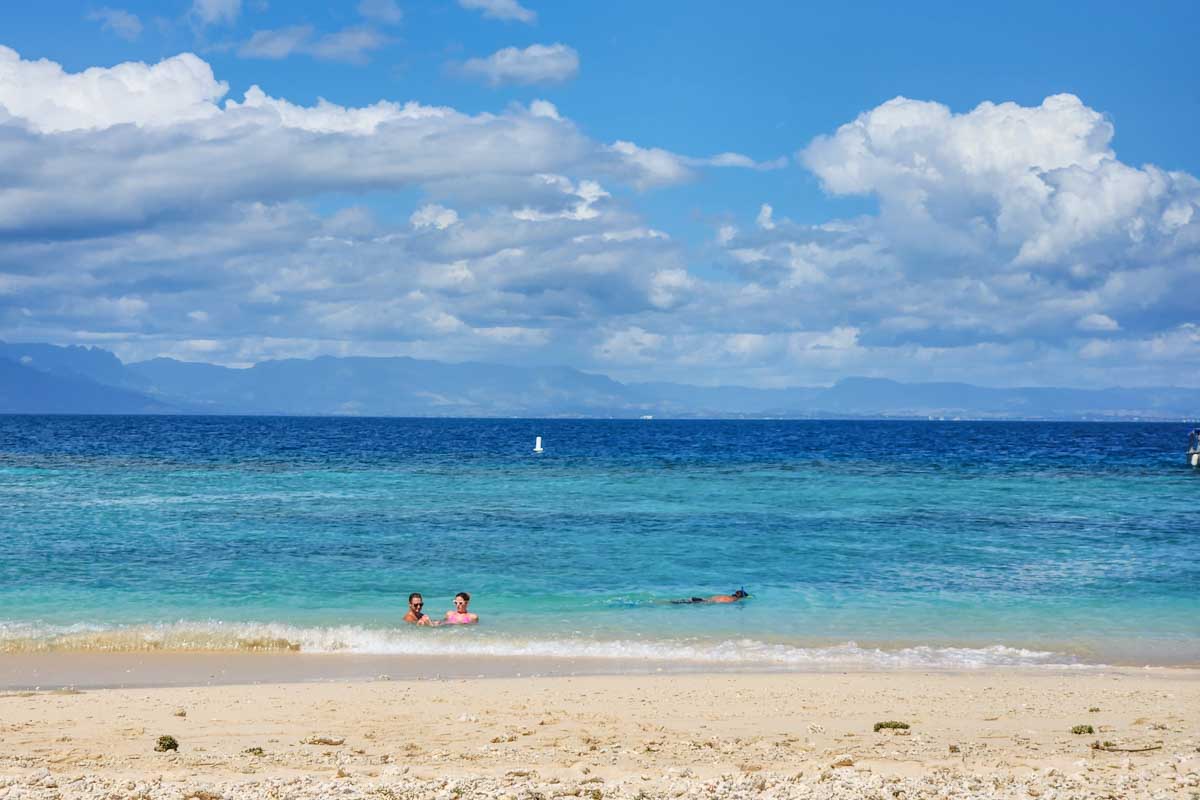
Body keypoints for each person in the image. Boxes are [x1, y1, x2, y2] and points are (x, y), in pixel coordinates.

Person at [671, 588, 750, 605]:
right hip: (711, 601)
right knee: (690, 602)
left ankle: (677, 601)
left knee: (690, 601)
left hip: (710, 599)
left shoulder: (730, 596)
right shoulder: (734, 599)